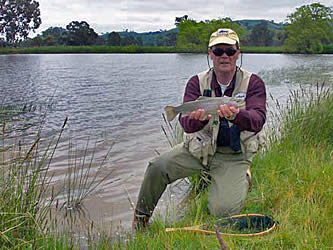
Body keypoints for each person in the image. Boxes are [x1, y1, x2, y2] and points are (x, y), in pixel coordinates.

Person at [133, 28, 266, 228]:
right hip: (198, 150)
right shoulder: (196, 82)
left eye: (229, 51)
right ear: (210, 53)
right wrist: (197, 120)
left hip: (233, 155)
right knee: (156, 167)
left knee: (222, 212)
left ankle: (243, 176)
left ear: (238, 53)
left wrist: (237, 115)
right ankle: (140, 220)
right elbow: (186, 125)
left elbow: (258, 119)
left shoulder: (253, 82)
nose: (224, 56)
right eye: (218, 50)